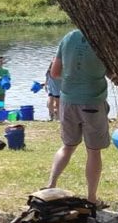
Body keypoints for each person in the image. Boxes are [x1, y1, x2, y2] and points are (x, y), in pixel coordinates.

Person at [46, 29, 110, 209]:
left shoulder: (68, 37)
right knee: (93, 151)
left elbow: (55, 73)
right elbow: (113, 73)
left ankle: (50, 185)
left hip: (67, 101)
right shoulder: (103, 37)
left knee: (67, 146)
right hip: (92, 101)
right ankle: (91, 198)